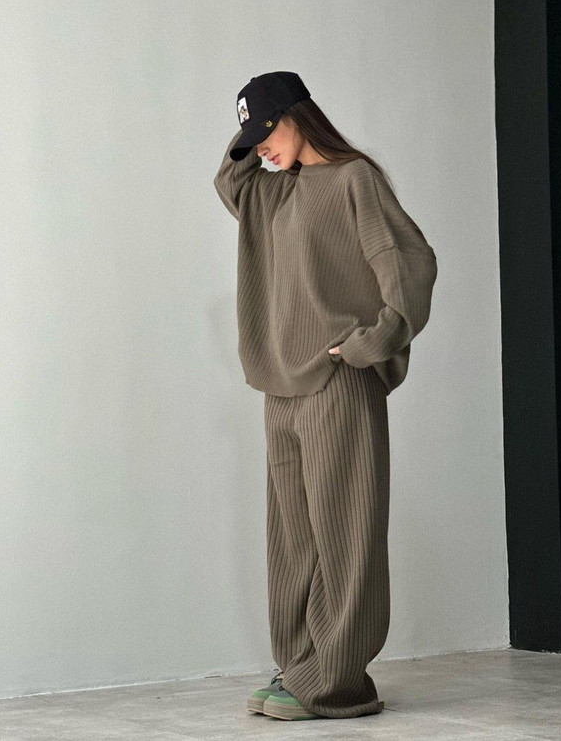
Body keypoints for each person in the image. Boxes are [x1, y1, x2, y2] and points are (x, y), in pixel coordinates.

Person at [213, 71, 438, 721]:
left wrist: (372, 343)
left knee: (345, 534)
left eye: (268, 131)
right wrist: (252, 135)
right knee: (293, 541)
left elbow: (409, 262)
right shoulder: (272, 194)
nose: (261, 149)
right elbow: (230, 181)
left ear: (299, 115)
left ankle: (339, 681)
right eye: (252, 139)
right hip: (280, 387)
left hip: (337, 382)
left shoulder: (352, 179)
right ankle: (300, 665)